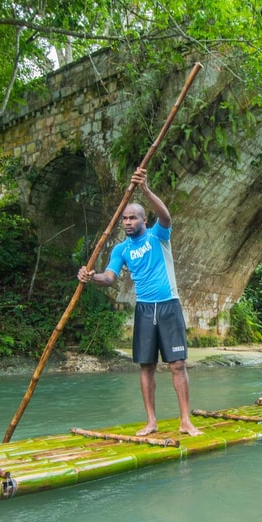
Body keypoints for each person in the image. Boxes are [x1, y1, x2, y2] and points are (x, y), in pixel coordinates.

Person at [77, 168, 202, 437]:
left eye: (133, 217)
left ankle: (185, 421)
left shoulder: (158, 235)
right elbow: (109, 278)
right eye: (124, 218)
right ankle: (151, 422)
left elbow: (166, 216)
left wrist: (145, 189)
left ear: (144, 220)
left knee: (177, 364)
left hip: (169, 305)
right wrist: (90, 276)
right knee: (146, 365)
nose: (128, 222)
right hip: (145, 309)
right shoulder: (121, 249)